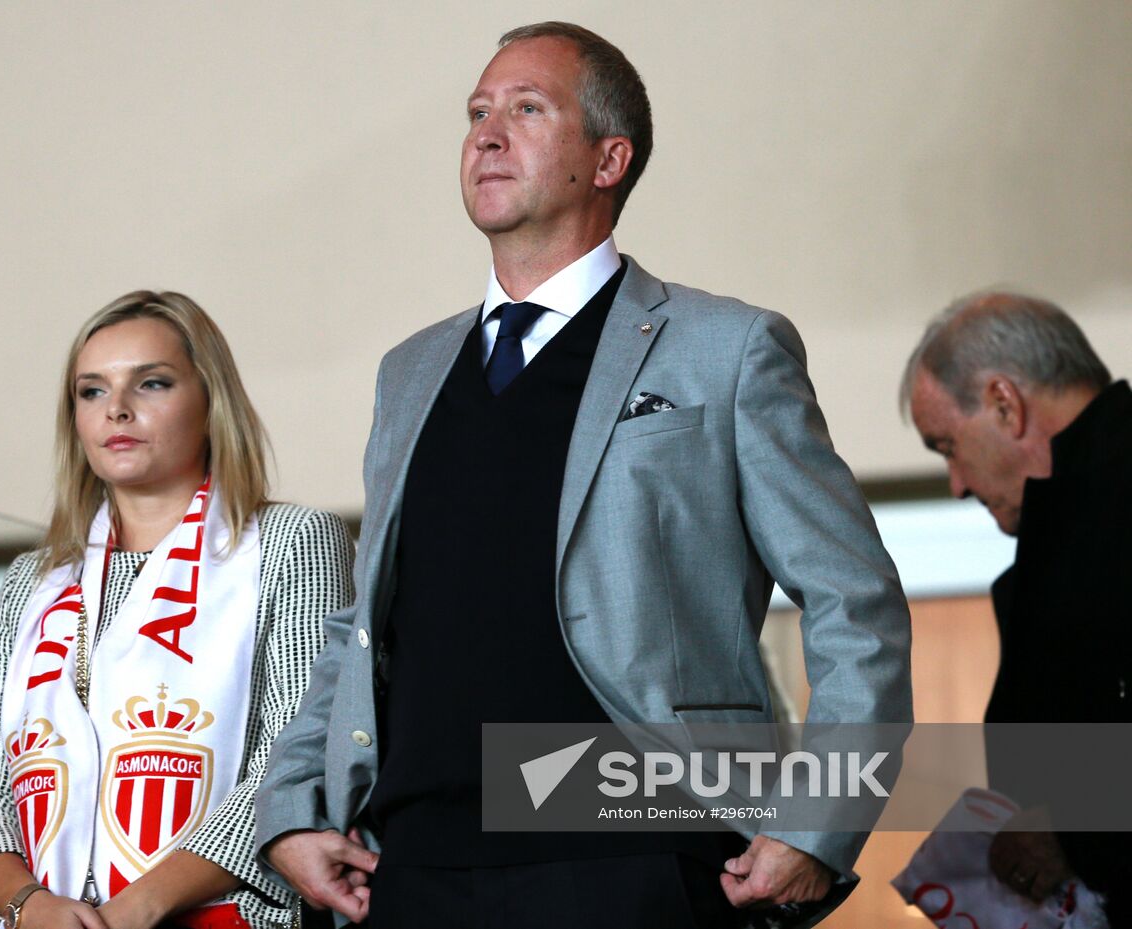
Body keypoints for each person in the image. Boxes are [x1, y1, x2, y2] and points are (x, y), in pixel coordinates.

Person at [255, 21, 911, 929]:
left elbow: (857, 602)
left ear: (609, 161)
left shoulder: (728, 350)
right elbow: (365, 625)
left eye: (527, 109)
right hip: (408, 870)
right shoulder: (408, 371)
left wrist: (820, 822)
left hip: (634, 854)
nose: (486, 133)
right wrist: (293, 806)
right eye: (477, 112)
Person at [0, 291, 355, 929]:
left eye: (152, 383)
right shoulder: (33, 581)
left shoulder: (291, 542)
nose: (117, 409)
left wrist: (138, 908)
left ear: (209, 401)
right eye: (91, 392)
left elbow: (298, 763)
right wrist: (30, 906)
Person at [902, 290, 1130, 922]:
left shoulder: (1104, 520)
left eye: (947, 446)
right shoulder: (1065, 537)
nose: (956, 486)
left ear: (1005, 405)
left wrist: (1076, 834)